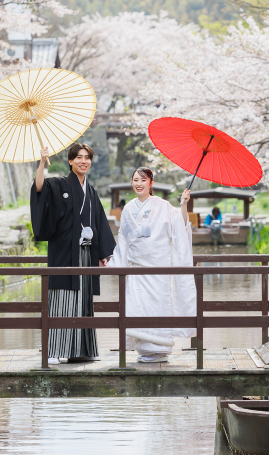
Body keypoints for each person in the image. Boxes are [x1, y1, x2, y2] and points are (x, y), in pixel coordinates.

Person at [30, 144, 116, 366]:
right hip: (64, 252)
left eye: (87, 158)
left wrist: (103, 252)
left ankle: (82, 350)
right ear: (70, 161)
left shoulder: (92, 190)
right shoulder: (59, 184)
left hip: (86, 253)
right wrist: (41, 163)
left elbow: (99, 221)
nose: (83, 161)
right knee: (62, 299)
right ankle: (54, 350)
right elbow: (39, 189)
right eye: (78, 157)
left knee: (83, 301)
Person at [107, 168, 196, 363]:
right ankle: (144, 349)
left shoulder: (164, 206)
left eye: (143, 180)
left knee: (157, 307)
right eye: (135, 180)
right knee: (138, 307)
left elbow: (179, 228)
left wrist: (183, 205)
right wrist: (114, 262)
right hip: (137, 270)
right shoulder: (128, 208)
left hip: (159, 270)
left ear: (151, 183)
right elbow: (123, 239)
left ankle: (160, 348)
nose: (138, 184)